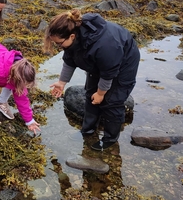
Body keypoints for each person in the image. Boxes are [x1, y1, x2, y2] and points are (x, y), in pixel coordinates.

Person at [43, 9, 140, 151]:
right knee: (90, 95)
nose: (58, 47)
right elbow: (70, 60)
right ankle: (88, 131)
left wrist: (101, 94)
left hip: (124, 61)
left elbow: (108, 73)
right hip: (100, 61)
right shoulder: (73, 36)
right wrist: (62, 82)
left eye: (59, 43)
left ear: (72, 36)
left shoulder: (104, 45)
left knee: (112, 101)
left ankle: (110, 139)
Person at [0, 41, 41, 134]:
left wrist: (29, 121)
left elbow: (22, 99)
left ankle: (0, 103)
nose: (24, 87)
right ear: (16, 78)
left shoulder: (19, 72)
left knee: (13, 86)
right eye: (24, 85)